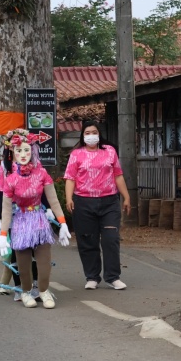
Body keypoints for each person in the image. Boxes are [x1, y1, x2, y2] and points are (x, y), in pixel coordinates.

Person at [0, 128, 71, 308]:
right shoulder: (11, 179)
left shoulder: (42, 174)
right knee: (23, 262)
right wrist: (3, 233)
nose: (23, 154)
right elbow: (6, 208)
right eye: (19, 150)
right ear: (13, 152)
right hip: (20, 221)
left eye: (26, 150)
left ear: (33, 150)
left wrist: (63, 223)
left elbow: (53, 200)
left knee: (44, 261)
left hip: (39, 220)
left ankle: (43, 290)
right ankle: (26, 292)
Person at [63, 121, 131, 290]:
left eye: (94, 132)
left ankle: (112, 277)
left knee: (111, 239)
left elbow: (118, 175)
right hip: (83, 202)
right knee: (87, 240)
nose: (91, 136)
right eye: (87, 133)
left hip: (109, 202)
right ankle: (92, 276)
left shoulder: (109, 151)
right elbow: (70, 178)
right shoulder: (76, 154)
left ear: (99, 134)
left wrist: (126, 197)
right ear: (83, 136)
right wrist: (69, 198)